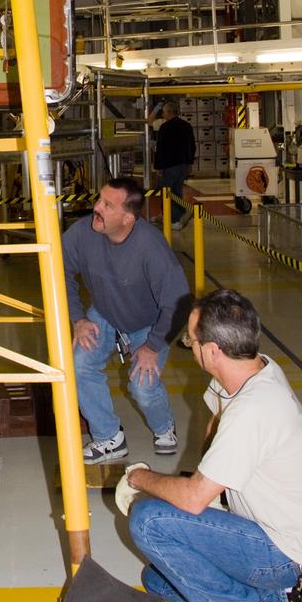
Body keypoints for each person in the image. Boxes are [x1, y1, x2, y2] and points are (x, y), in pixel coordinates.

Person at [123, 288, 302, 602]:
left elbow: (192, 499)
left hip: (280, 547)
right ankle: (293, 588)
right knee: (157, 581)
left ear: (213, 351)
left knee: (149, 521)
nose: (190, 346)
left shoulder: (254, 410)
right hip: (274, 528)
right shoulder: (251, 369)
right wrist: (210, 471)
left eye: (192, 341)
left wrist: (140, 477)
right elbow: (216, 420)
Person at [62, 176, 190, 464]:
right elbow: (60, 270)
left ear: (128, 218)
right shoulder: (82, 233)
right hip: (105, 312)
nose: (97, 207)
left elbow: (179, 301)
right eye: (99, 199)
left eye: (107, 205)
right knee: (79, 363)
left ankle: (164, 427)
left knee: (142, 386)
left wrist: (153, 345)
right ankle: (109, 437)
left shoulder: (151, 247)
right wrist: (78, 318)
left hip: (150, 321)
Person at [151, 99, 196, 229]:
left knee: (169, 192)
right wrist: (189, 162)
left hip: (169, 166)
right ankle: (168, 215)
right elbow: (192, 146)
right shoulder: (186, 126)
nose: (162, 115)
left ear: (169, 112)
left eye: (164, 113)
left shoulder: (165, 127)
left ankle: (176, 218)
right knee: (176, 190)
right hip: (183, 165)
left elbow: (161, 148)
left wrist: (158, 167)